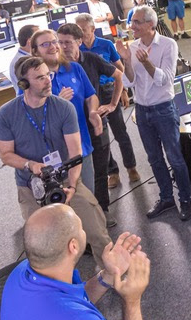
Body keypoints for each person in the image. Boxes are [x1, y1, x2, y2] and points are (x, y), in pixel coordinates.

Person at [0, 56, 116, 270]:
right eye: (40, 77)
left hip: (66, 179)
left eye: (47, 75)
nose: (48, 80)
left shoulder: (63, 107)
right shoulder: (6, 114)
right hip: (31, 187)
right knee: (43, 247)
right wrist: (30, 165)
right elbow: (5, 155)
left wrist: (71, 186)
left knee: (97, 231)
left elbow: (75, 151)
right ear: (24, 84)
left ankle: (113, 272)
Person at [0, 206, 150, 320]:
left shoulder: (20, 272)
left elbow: (76, 300)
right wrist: (132, 300)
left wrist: (108, 275)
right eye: (81, 227)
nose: (84, 230)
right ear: (73, 246)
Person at [117, 6, 191, 221]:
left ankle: (186, 200)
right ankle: (166, 197)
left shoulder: (168, 45)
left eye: (137, 22)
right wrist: (126, 60)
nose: (132, 27)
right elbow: (129, 81)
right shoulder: (132, 47)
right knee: (154, 158)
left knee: (175, 158)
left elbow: (166, 79)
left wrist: (147, 63)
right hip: (141, 110)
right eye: (132, 23)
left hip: (164, 109)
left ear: (150, 24)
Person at [56, 24, 123, 225]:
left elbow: (118, 75)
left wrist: (112, 104)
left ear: (79, 41)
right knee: (76, 176)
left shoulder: (91, 60)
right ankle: (79, 218)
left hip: (95, 123)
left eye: (67, 42)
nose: (63, 47)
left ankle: (102, 210)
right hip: (71, 131)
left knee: (100, 170)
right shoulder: (56, 68)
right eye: (60, 42)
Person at [30, 29, 105, 197]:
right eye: (45, 44)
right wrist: (56, 101)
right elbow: (29, 113)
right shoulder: (31, 80)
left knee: (87, 195)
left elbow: (90, 95)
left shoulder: (74, 69)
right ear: (35, 51)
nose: (53, 47)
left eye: (55, 41)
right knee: (60, 200)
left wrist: (92, 111)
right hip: (52, 154)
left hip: (80, 145)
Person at [76, 14, 140, 190]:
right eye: (77, 30)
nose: (80, 33)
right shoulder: (77, 49)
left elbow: (119, 69)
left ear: (92, 29)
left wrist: (124, 91)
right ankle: (113, 172)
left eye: (83, 29)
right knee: (100, 137)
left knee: (120, 132)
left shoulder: (106, 45)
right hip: (91, 97)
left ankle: (131, 167)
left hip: (110, 91)